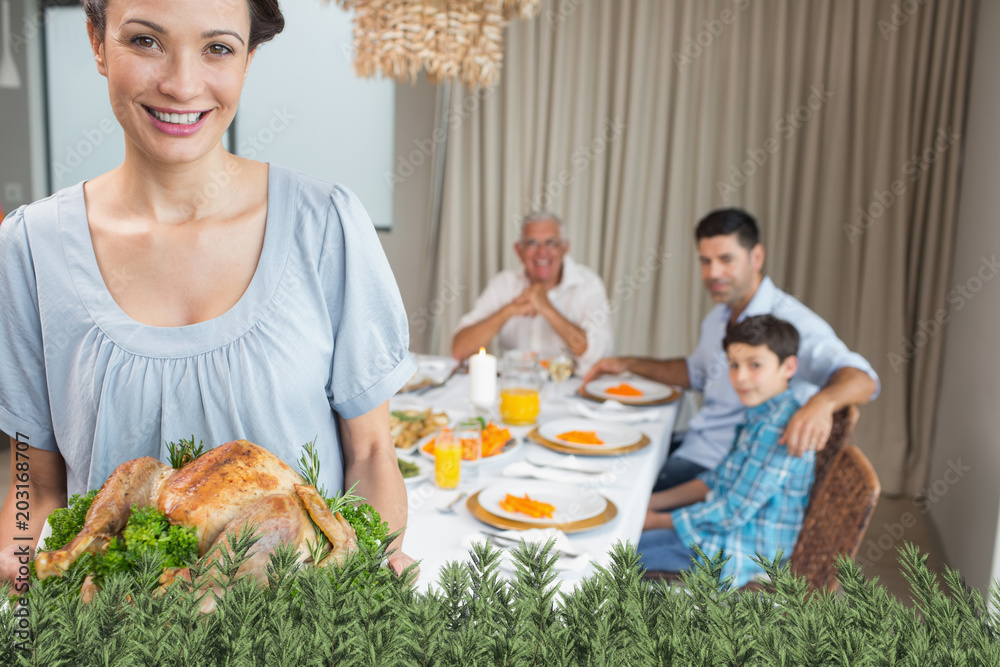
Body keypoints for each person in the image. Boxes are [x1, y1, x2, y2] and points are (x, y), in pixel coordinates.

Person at [0, 0, 417, 583]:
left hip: (294, 634)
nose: (181, 84)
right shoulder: (29, 248)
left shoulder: (324, 224)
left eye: (217, 48)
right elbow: (35, 485)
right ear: (97, 42)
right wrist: (20, 593)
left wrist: (359, 573)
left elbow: (371, 455)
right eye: (145, 42)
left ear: (248, 59)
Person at [584, 208, 878, 490]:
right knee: (602, 455)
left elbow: (864, 380)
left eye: (726, 259)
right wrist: (628, 364)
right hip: (698, 440)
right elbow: (696, 374)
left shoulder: (792, 321)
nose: (714, 273)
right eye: (705, 261)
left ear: (757, 256)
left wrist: (822, 404)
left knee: (614, 491)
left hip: (726, 466)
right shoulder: (719, 316)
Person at [637, 315, 815, 587]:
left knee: (617, 551)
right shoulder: (761, 413)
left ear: (788, 367)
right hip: (724, 531)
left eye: (754, 365)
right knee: (629, 531)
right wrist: (653, 502)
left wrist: (655, 520)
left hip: (739, 550)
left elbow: (732, 511)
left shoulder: (780, 428)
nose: (741, 377)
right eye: (733, 365)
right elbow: (717, 478)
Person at [451, 211, 613, 374]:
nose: (542, 252)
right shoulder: (503, 283)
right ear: (519, 251)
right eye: (532, 243)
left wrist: (547, 309)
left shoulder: (588, 285)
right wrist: (509, 311)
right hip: (514, 386)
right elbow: (460, 349)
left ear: (565, 248)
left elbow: (598, 356)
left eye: (551, 243)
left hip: (570, 388)